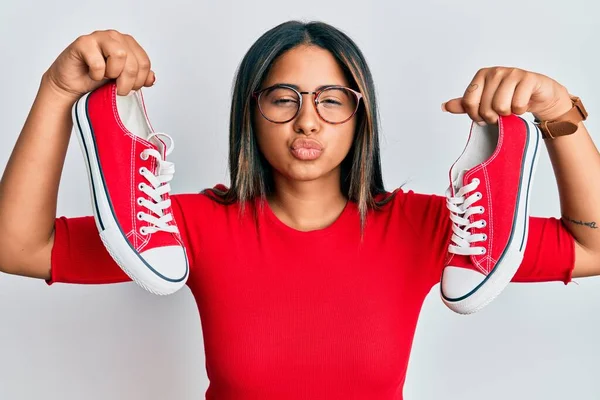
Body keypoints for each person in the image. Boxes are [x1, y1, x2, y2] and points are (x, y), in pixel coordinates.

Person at [1, 20, 599, 399]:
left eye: (332, 99)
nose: (307, 119)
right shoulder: (177, 229)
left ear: (360, 116)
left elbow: (593, 249)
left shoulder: (432, 229)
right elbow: (16, 247)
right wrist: (57, 92)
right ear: (249, 113)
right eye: (283, 98)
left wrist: (558, 117)